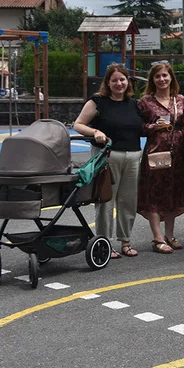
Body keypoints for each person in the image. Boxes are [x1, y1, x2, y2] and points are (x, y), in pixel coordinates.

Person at [73, 63, 144, 259]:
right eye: (114, 80)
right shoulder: (97, 101)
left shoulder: (133, 103)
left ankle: (126, 241)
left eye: (122, 79)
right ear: (107, 82)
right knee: (105, 201)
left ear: (127, 81)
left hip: (133, 156)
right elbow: (78, 124)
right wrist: (95, 131)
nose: (119, 83)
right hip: (108, 157)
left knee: (128, 201)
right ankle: (105, 242)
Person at [137, 62, 184, 254]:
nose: (162, 79)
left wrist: (182, 133)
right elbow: (138, 127)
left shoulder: (180, 99)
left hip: (177, 154)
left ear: (171, 78)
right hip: (156, 153)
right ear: (152, 79)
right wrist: (154, 127)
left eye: (165, 75)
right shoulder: (145, 101)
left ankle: (170, 234)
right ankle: (157, 237)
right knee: (154, 193)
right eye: (158, 76)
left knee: (173, 193)